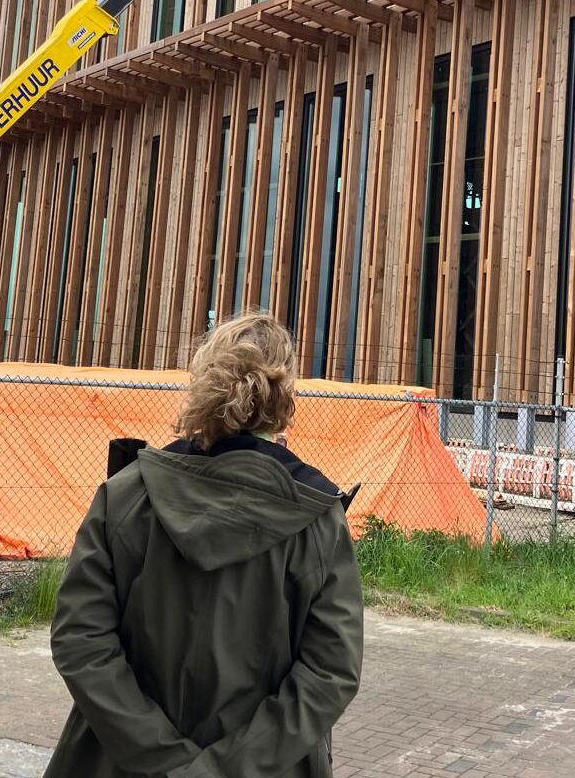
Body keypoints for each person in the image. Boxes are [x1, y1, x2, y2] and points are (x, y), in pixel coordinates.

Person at [45, 312, 364, 778]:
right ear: (285, 395)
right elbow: (329, 673)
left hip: (115, 763)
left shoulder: (126, 494)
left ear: (204, 381)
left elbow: (81, 641)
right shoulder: (317, 520)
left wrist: (164, 760)